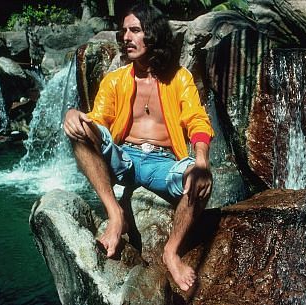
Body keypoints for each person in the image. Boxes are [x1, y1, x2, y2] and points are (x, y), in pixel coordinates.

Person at [63, 2, 214, 291]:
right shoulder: (116, 79)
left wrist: (202, 162)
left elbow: (197, 120)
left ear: (153, 35)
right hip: (124, 159)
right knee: (80, 131)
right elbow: (97, 121)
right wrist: (74, 115)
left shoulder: (178, 78)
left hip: (163, 164)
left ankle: (171, 251)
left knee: (201, 180)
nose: (126, 37)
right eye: (123, 31)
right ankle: (115, 213)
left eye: (135, 30)